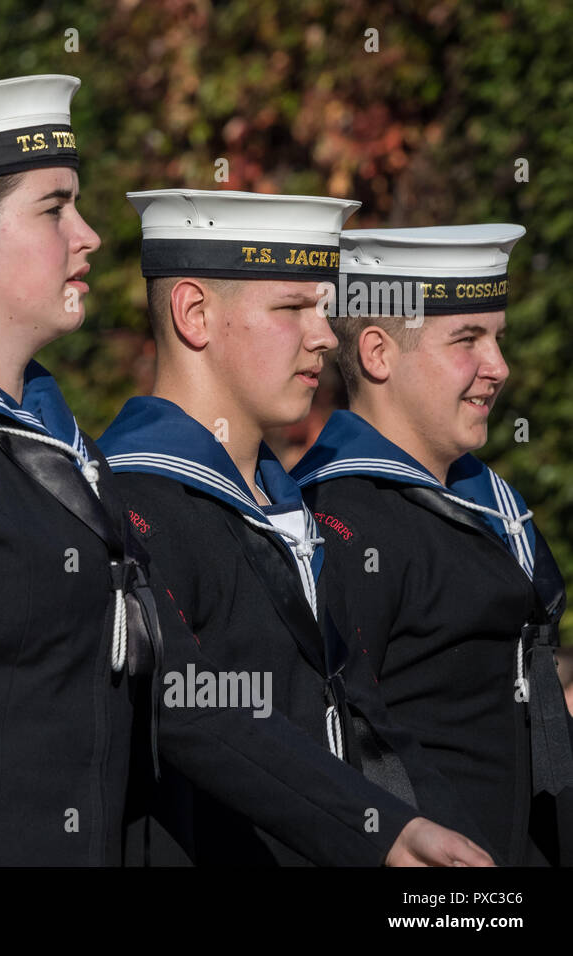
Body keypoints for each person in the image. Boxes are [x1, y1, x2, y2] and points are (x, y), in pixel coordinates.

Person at [0, 75, 489, 866]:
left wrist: (384, 830)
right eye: (54, 209)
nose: (89, 236)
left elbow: (186, 697)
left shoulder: (62, 457)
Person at [97, 190, 492, 865]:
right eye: (291, 308)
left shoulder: (286, 510)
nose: (325, 336)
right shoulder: (135, 503)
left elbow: (363, 719)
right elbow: (192, 712)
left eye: (325, 308)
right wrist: (379, 831)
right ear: (194, 313)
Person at [294, 224, 572, 865]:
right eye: (467, 339)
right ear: (378, 353)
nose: (498, 367)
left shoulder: (485, 503)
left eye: (497, 338)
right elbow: (348, 742)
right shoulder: (340, 521)